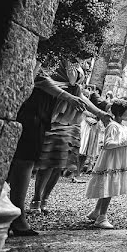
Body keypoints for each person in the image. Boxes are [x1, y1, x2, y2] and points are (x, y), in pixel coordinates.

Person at [6, 61, 106, 236]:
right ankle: (16, 214)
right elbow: (40, 78)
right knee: (24, 161)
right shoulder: (57, 57)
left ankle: (16, 214)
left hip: (47, 112)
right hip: (36, 107)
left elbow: (77, 94)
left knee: (30, 161)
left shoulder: (74, 64)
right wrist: (68, 97)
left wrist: (99, 113)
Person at [28, 59, 110, 216]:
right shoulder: (61, 61)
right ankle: (36, 199)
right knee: (49, 159)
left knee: (60, 162)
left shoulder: (77, 65)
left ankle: (45, 199)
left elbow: (79, 94)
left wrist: (99, 113)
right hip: (57, 113)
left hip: (73, 118)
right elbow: (70, 82)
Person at [85, 98, 127, 229]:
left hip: (118, 158)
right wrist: (126, 142)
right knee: (109, 187)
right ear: (120, 111)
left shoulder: (123, 127)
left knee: (109, 186)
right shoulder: (112, 126)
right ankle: (101, 217)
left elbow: (123, 141)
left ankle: (96, 212)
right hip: (111, 160)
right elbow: (108, 144)